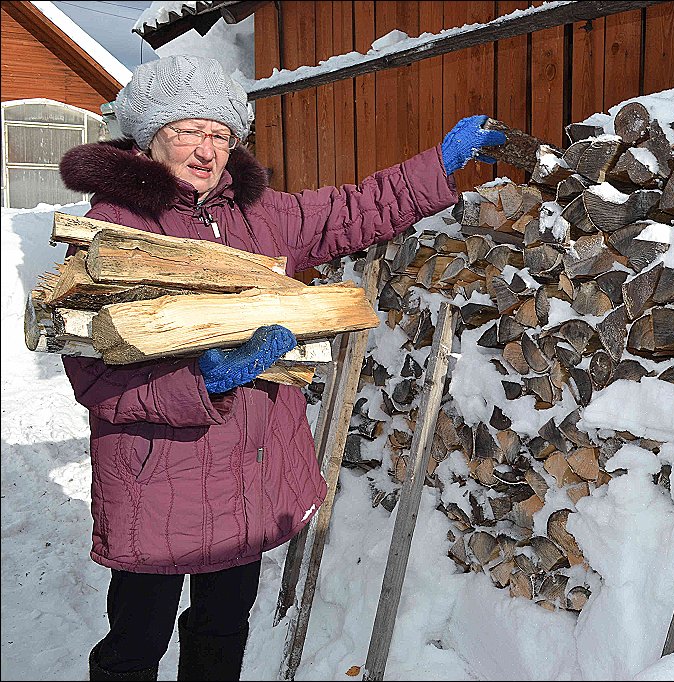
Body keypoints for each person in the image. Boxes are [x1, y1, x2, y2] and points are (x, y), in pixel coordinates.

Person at [57, 54, 506, 682]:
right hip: (158, 481)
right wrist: (200, 381)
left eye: (219, 133)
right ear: (148, 135)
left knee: (221, 631)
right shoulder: (112, 228)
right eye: (188, 130)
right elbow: (92, 367)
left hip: (248, 473)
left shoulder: (259, 215)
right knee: (136, 641)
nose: (206, 150)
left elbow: (353, 208)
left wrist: (437, 164)